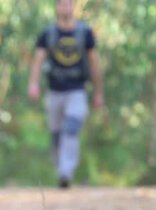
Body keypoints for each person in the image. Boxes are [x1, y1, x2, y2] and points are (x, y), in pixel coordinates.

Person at [28, 0, 103, 188]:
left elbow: (94, 63)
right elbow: (38, 60)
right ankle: (60, 168)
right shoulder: (48, 33)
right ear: (57, 7)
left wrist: (98, 92)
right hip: (54, 91)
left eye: (69, 4)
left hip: (77, 90)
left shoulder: (85, 33)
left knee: (71, 128)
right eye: (62, 4)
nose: (66, 8)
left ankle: (65, 172)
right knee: (56, 135)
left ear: (74, 7)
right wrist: (33, 83)